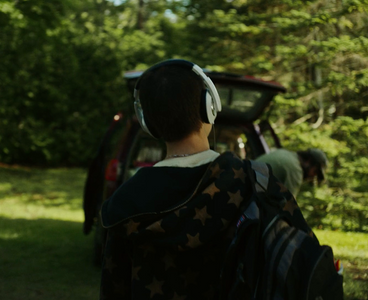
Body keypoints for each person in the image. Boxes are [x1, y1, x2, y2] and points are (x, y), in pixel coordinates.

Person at [99, 59, 312, 299]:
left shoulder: (122, 205)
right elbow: (306, 264)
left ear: (148, 122)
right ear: (209, 107)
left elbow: (114, 289)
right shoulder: (257, 182)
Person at [256, 148, 328, 197]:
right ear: (309, 162)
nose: (312, 177)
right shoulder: (296, 171)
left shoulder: (284, 152)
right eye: (315, 172)